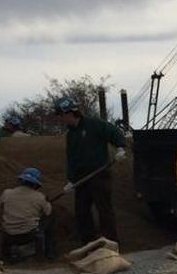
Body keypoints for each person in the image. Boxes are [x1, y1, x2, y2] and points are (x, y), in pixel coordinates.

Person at [52, 97, 127, 244]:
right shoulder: (71, 135)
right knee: (82, 212)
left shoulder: (94, 124)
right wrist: (71, 180)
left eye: (61, 115)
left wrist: (120, 148)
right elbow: (72, 159)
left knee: (104, 210)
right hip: (82, 178)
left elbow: (114, 132)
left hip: (99, 174)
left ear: (69, 113)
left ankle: (112, 243)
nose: (61, 119)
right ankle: (88, 244)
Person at [0, 167, 55, 261]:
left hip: (9, 234)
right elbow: (48, 212)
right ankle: (48, 255)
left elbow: (1, 205)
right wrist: (47, 202)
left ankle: (7, 257)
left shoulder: (6, 193)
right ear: (35, 184)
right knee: (49, 223)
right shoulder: (40, 197)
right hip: (29, 234)